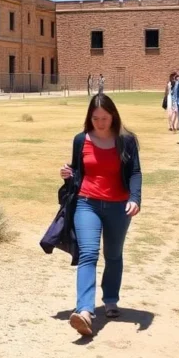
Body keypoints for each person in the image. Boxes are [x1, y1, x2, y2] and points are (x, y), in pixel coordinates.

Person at [59, 94, 141, 337]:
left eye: (104, 118)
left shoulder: (126, 140)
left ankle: (111, 299)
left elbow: (135, 172)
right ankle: (84, 311)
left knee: (113, 254)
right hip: (87, 203)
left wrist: (135, 198)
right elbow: (77, 171)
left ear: (113, 116)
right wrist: (67, 173)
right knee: (88, 253)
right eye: (95, 119)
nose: (100, 123)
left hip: (118, 205)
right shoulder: (80, 139)